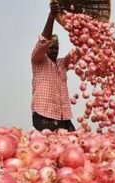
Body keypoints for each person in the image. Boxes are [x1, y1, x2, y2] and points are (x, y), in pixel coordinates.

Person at [31, 1, 77, 132]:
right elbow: (43, 41)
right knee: (50, 148)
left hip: (64, 117)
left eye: (57, 47)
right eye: (51, 47)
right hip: (44, 115)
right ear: (45, 49)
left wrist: (87, 34)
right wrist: (51, 17)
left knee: (74, 146)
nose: (55, 50)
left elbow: (78, 52)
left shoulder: (62, 64)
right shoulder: (38, 60)